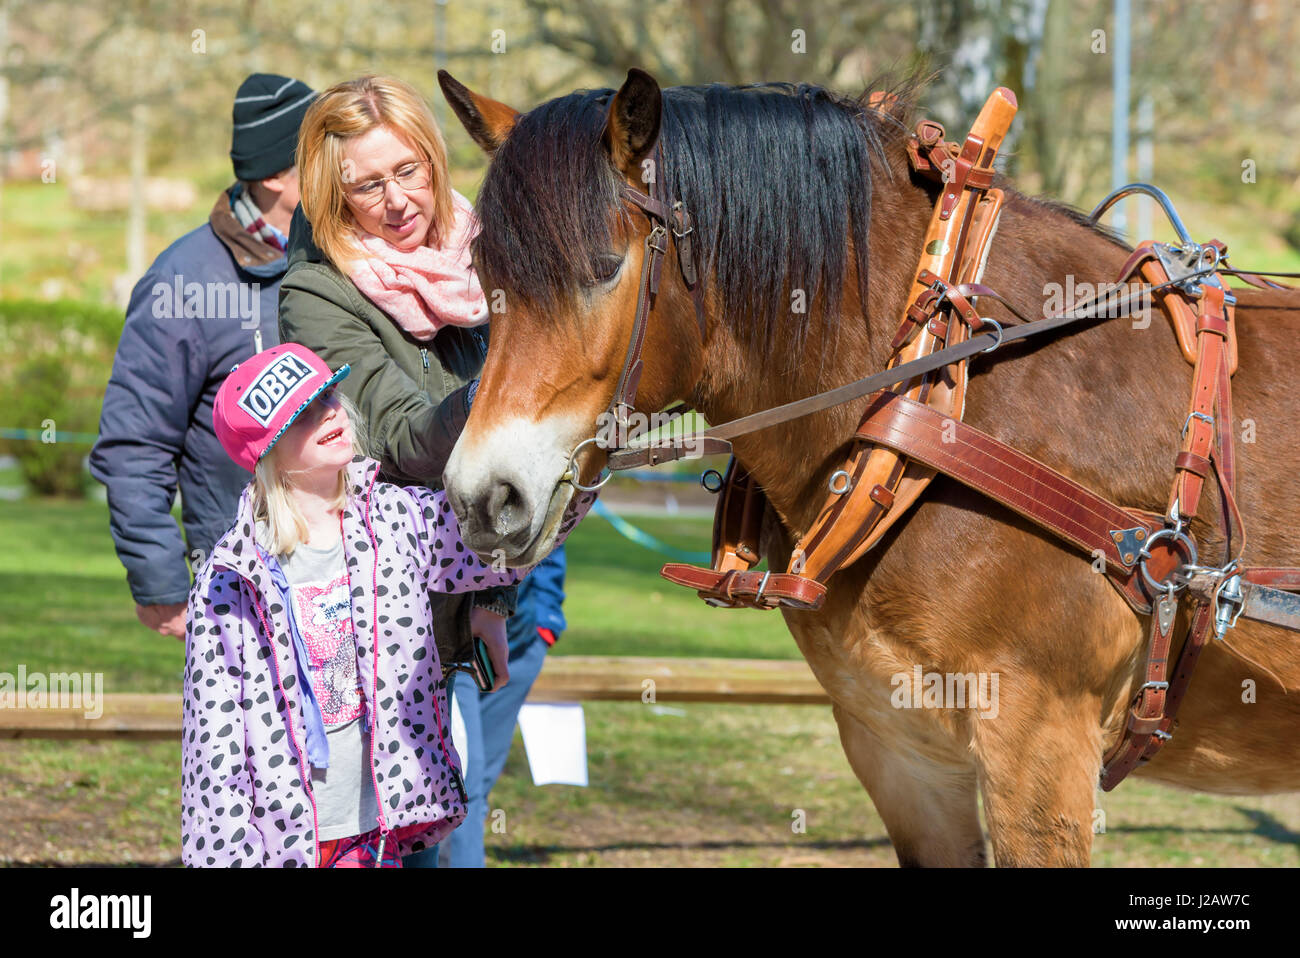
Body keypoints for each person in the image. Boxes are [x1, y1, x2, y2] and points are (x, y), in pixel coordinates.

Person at [278, 75, 567, 866]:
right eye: (367, 185)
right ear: (333, 194)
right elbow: (401, 440)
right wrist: (515, 385)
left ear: (435, 162)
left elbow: (498, 474)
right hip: (370, 619)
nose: (398, 199)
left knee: (451, 822)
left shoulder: (479, 261)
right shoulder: (316, 293)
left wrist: (490, 601)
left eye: (409, 171)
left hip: (465, 593)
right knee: (404, 840)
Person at [182, 343, 593, 867]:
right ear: (269, 453)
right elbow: (214, 751)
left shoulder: (393, 519)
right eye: (303, 416)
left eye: (328, 396)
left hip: (377, 836)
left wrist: (579, 467)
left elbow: (495, 544)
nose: (330, 413)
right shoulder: (231, 580)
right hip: (283, 847)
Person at [91, 73, 315, 637]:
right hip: (246, 591)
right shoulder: (182, 282)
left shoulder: (350, 260)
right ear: (272, 174)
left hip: (359, 584)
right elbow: (135, 443)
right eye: (322, 149)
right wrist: (163, 584)